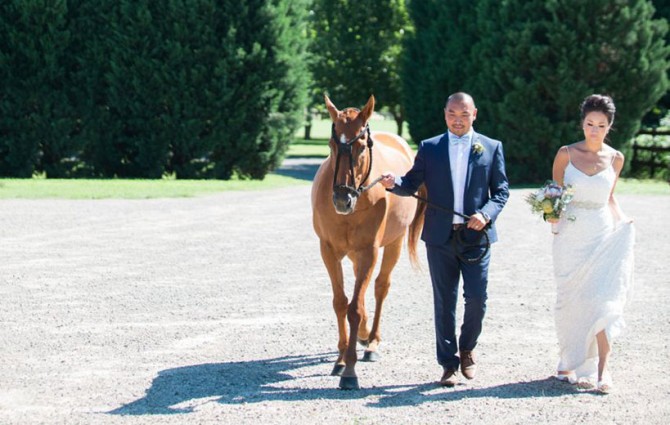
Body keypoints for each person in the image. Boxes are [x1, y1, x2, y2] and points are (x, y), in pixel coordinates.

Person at [380, 92, 509, 387]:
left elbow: (501, 192)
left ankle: (467, 349)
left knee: (477, 299)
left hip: (477, 237)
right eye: (452, 114)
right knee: (444, 302)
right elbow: (410, 183)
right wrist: (393, 183)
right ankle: (448, 364)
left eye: (464, 114)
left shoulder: (491, 147)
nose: (458, 120)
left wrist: (485, 215)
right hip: (439, 237)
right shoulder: (430, 148)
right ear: (445, 114)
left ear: (474, 114)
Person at [548, 94, 635, 394]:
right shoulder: (565, 154)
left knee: (603, 300)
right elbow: (553, 195)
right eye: (589, 124)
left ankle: (601, 370)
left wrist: (624, 220)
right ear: (582, 124)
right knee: (570, 301)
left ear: (609, 126)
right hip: (569, 238)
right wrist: (551, 216)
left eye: (600, 125)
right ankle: (568, 360)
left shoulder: (616, 158)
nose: (594, 130)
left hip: (602, 234)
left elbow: (609, 198)